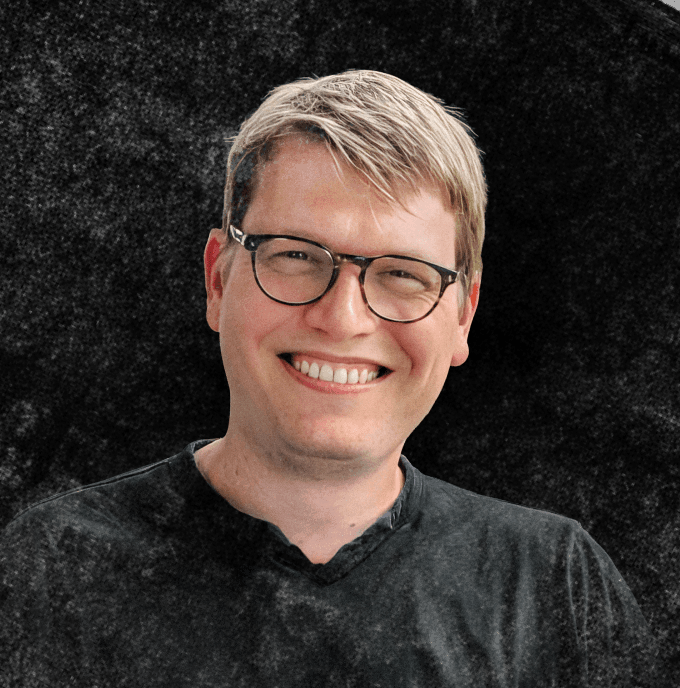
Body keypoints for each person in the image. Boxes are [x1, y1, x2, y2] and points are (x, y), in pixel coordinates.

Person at [1, 69, 673, 687]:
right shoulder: (49, 571)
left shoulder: (557, 588)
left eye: (404, 273)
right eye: (297, 255)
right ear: (217, 278)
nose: (343, 318)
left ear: (463, 315)